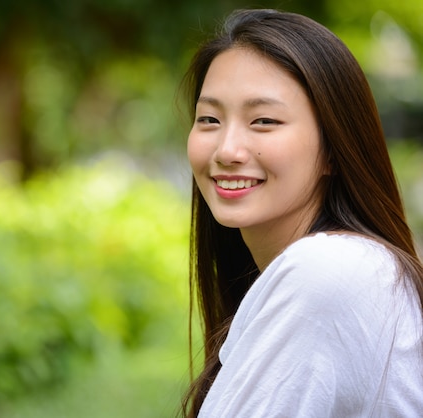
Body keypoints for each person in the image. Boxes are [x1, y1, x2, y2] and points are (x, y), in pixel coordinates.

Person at [181, 9, 423, 418]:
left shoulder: (329, 271)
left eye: (264, 121)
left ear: (333, 149)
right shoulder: (349, 266)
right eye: (209, 119)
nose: (226, 150)